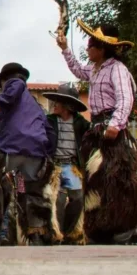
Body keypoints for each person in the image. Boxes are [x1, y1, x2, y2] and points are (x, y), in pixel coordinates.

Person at [57, 19, 137, 243]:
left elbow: (125, 98)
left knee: (117, 178)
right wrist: (65, 48)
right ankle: (99, 227)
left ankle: (123, 226)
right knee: (95, 181)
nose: (87, 48)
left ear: (102, 48)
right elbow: (76, 69)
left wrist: (115, 124)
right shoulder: (95, 70)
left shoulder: (118, 69)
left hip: (111, 128)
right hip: (96, 129)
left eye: (91, 45)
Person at [0, 63, 54, 245]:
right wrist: (48, 154)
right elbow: (50, 132)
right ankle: (36, 233)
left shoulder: (15, 84)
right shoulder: (36, 105)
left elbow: (15, 87)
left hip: (13, 146)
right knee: (33, 192)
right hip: (36, 152)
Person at [43, 83, 90, 244]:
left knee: (77, 198)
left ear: (67, 106)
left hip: (72, 166)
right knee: (59, 201)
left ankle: (71, 232)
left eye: (58, 102)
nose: (54, 105)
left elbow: (90, 136)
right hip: (54, 166)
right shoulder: (49, 121)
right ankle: (58, 234)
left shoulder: (80, 123)